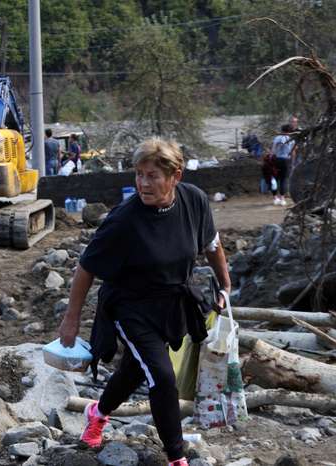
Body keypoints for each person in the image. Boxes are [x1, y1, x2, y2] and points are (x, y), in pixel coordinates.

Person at [57, 138, 231, 466]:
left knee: (137, 369)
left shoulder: (193, 200)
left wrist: (225, 284)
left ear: (175, 176)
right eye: (139, 174)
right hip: (130, 307)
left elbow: (212, 243)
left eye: (152, 176)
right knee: (162, 376)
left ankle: (97, 412)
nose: (143, 183)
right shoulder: (124, 220)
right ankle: (176, 457)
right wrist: (71, 319)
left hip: (171, 304)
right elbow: (87, 266)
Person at [270, 124, 294, 206]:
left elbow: (273, 150)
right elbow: (293, 151)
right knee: (283, 179)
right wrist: (292, 162)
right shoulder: (291, 139)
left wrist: (270, 159)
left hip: (276, 160)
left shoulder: (277, 138)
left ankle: (275, 198)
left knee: (274, 179)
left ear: (282, 130)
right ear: (289, 131)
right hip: (286, 160)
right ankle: (282, 199)